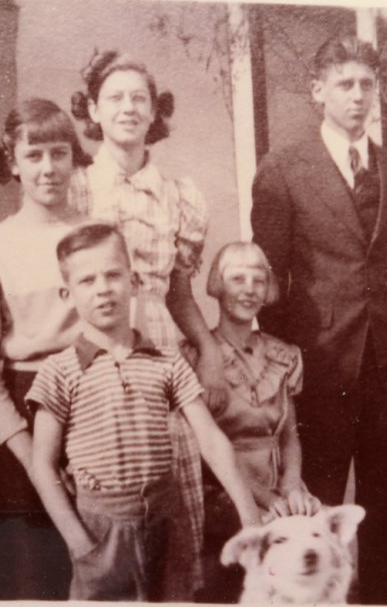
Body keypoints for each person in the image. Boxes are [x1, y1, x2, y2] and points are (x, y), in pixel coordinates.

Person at [251, 36, 387, 605]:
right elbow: (270, 280)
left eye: (367, 84)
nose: (358, 95)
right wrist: (286, 362)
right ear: (318, 91)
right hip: (317, 363)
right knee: (314, 502)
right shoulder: (282, 169)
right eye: (345, 84)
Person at [27, 221, 261, 601]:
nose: (103, 289)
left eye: (113, 275)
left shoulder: (166, 362)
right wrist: (78, 540)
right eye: (87, 280)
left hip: (167, 524)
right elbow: (42, 464)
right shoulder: (59, 371)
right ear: (67, 294)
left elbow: (211, 440)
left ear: (134, 282)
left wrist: (249, 516)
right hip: (102, 531)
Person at [68, 50, 225, 594]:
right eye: (114, 97)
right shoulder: (77, 188)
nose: (129, 108)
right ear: (93, 109)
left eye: (140, 98)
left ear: (155, 111)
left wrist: (209, 352)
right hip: (95, 350)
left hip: (161, 353)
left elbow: (179, 293)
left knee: (171, 501)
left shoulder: (180, 195)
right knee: (110, 506)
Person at [0, 98, 91, 599]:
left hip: (92, 406)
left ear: (74, 157)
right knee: (28, 577)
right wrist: (30, 453)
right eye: (33, 155)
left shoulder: (95, 235)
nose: (48, 168)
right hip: (22, 415)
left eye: (59, 153)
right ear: (12, 162)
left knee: (96, 565)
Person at [182, 242, 321, 603]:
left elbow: (289, 436)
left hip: (277, 485)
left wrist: (292, 485)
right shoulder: (195, 356)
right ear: (217, 285)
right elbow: (202, 447)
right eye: (237, 279)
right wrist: (265, 498)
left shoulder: (283, 354)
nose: (249, 289)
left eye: (258, 280)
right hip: (222, 489)